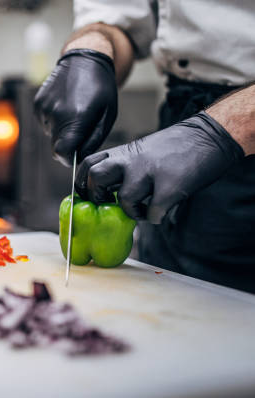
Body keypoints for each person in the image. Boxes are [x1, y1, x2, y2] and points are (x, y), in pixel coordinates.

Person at [34, 1, 255, 293]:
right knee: (171, 299)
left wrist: (223, 129)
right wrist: (92, 51)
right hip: (183, 121)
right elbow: (121, 21)